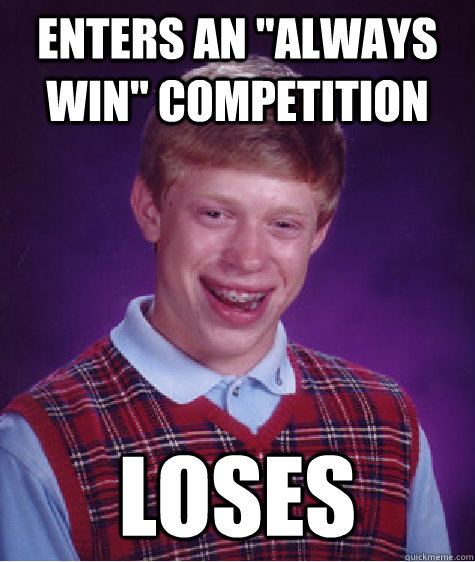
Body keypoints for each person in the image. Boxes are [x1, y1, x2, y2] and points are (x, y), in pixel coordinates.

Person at [0, 56, 450, 560]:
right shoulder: (39, 448)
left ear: (318, 233)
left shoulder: (387, 425)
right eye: (215, 214)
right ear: (150, 210)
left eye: (283, 224)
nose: (248, 258)